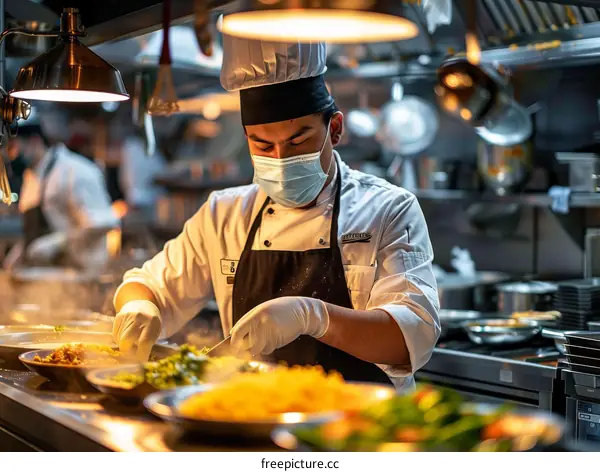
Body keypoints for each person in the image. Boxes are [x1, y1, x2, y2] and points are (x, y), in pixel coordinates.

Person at [112, 36, 440, 390]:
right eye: (263, 145)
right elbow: (147, 287)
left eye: (298, 142)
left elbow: (411, 338)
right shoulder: (225, 213)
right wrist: (139, 310)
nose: (281, 160)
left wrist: (314, 317)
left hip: (356, 423)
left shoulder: (388, 209)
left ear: (335, 129)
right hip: (251, 415)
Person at [3, 114, 119, 272]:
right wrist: (18, 254)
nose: (9, 156)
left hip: (82, 275)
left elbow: (104, 223)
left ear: (34, 141)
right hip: (48, 276)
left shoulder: (76, 171)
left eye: (12, 148)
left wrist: (58, 242)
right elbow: (34, 232)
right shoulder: (31, 177)